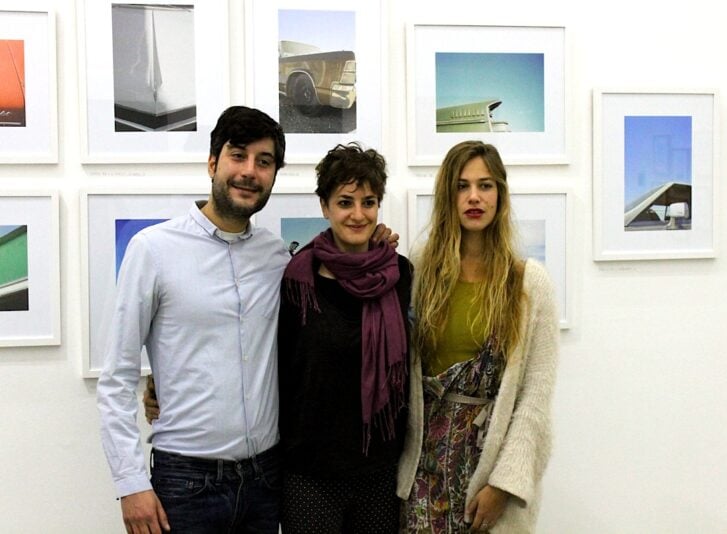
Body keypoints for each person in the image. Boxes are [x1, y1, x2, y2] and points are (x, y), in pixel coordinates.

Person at [97, 106, 290, 534]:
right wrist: (130, 484)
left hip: (264, 483)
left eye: (264, 162)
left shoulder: (277, 257)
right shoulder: (154, 250)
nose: (249, 172)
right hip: (185, 486)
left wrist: (377, 243)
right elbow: (116, 375)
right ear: (212, 163)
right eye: (238, 156)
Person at [397, 140, 559, 533]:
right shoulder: (420, 273)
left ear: (500, 195)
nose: (474, 197)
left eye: (485, 185)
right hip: (422, 469)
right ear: (446, 195)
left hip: (486, 475)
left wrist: (503, 484)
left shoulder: (527, 283)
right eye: (461, 185)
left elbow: (535, 397)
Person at [277, 143, 411, 533]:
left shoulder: (402, 275)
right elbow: (278, 366)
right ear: (325, 206)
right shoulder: (296, 281)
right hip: (310, 473)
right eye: (345, 202)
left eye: (368, 202)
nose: (358, 214)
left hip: (380, 471)